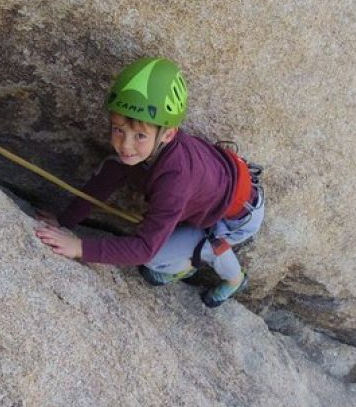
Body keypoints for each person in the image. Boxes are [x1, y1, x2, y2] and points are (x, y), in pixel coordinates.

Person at [34, 57, 265, 307]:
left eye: (140, 135)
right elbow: (106, 178)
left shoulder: (176, 181)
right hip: (216, 196)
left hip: (237, 219)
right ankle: (192, 246)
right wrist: (64, 221)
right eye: (118, 129)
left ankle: (231, 278)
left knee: (155, 261)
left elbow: (145, 248)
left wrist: (80, 247)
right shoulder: (151, 150)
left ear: (167, 133)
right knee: (118, 166)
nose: (125, 145)